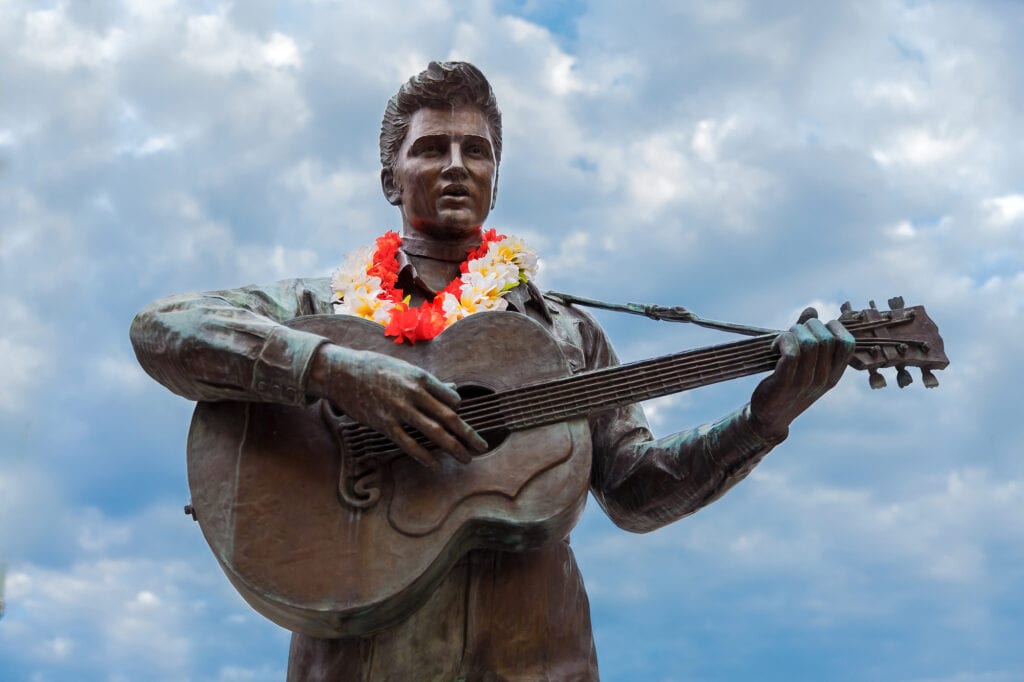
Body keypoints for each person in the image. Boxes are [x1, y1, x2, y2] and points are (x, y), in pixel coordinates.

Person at [131, 61, 854, 681]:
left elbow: (637, 493)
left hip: (538, 659)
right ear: (390, 177)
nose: (456, 165)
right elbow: (162, 327)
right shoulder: (321, 307)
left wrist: (765, 419)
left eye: (475, 151)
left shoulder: (566, 334)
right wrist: (335, 370)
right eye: (431, 148)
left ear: (495, 179)